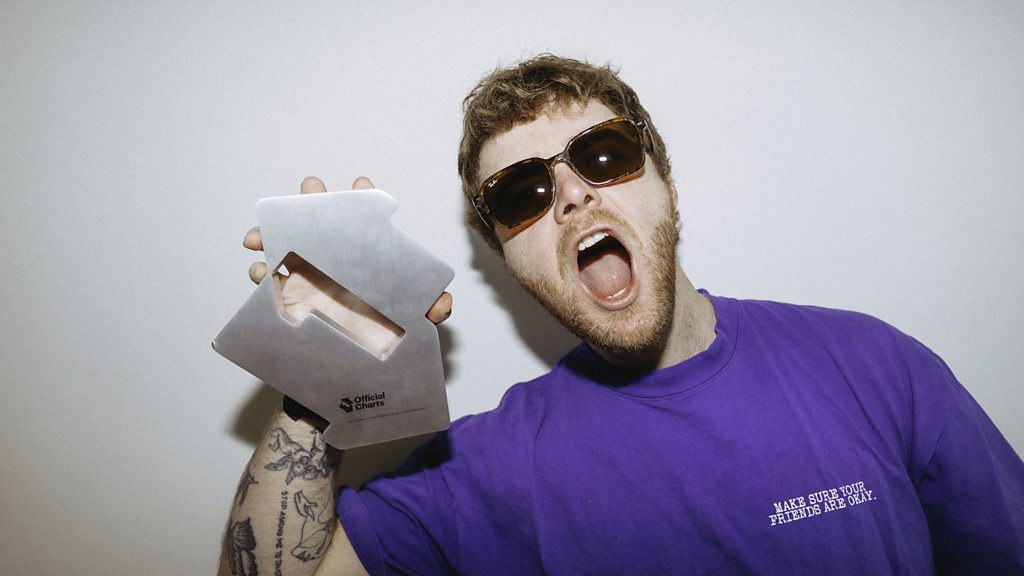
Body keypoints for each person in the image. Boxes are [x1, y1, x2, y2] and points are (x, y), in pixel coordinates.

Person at [219, 54, 1024, 576]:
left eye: (603, 154)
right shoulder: (490, 467)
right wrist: (322, 370)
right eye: (522, 193)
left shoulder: (875, 365)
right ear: (506, 256)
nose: (572, 195)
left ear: (665, 183)